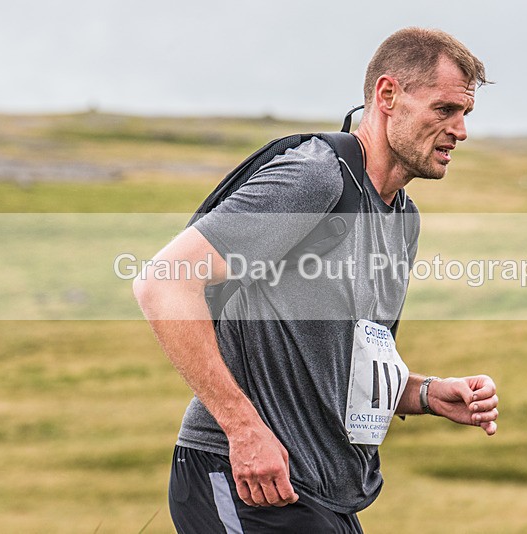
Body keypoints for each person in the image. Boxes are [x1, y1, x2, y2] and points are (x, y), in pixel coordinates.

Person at [134, 27, 499, 534]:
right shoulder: (315, 178)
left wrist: (424, 393)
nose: (460, 131)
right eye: (445, 111)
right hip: (243, 481)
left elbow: (344, 361)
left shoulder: (402, 220)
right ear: (387, 95)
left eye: (466, 114)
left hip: (323, 497)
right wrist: (243, 431)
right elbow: (164, 282)